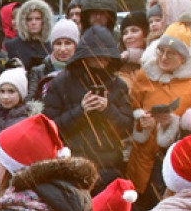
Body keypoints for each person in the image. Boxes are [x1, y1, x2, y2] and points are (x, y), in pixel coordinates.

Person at [128, 16, 191, 204]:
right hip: (143, 156)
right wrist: (141, 120)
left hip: (176, 157)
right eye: (161, 51)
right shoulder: (145, 74)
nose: (164, 58)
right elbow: (132, 106)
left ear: (183, 58)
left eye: (171, 53)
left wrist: (174, 125)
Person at [42, 25, 132, 182]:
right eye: (94, 57)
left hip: (109, 165)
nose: (100, 62)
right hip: (71, 163)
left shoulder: (118, 85)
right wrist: (81, 111)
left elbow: (127, 128)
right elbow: (50, 128)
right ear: (84, 58)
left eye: (104, 57)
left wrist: (107, 109)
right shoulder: (62, 83)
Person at [0, 63, 41, 180]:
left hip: (14, 180)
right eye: (2, 91)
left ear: (21, 94)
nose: (5, 96)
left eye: (11, 91)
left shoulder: (27, 121)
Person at [27, 19, 79, 100]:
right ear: (52, 46)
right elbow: (30, 102)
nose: (62, 48)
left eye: (68, 43)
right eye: (58, 43)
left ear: (76, 46)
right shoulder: (38, 72)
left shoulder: (83, 70)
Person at [4, 0, 53, 71]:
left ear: (44, 21)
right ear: (23, 21)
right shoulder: (11, 45)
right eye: (29, 19)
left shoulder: (50, 45)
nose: (33, 22)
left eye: (37, 19)